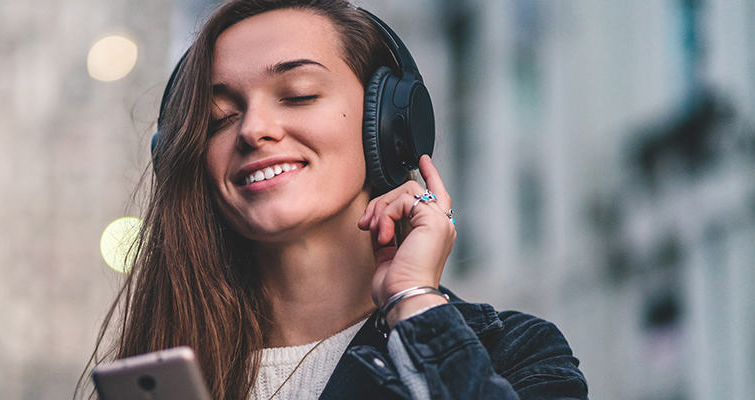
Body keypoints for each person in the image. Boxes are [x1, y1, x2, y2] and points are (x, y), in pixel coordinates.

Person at [79, 0, 588, 399]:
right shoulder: (158, 377)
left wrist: (414, 303)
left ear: (390, 124)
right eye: (219, 118)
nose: (254, 129)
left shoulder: (514, 354)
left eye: (298, 94)